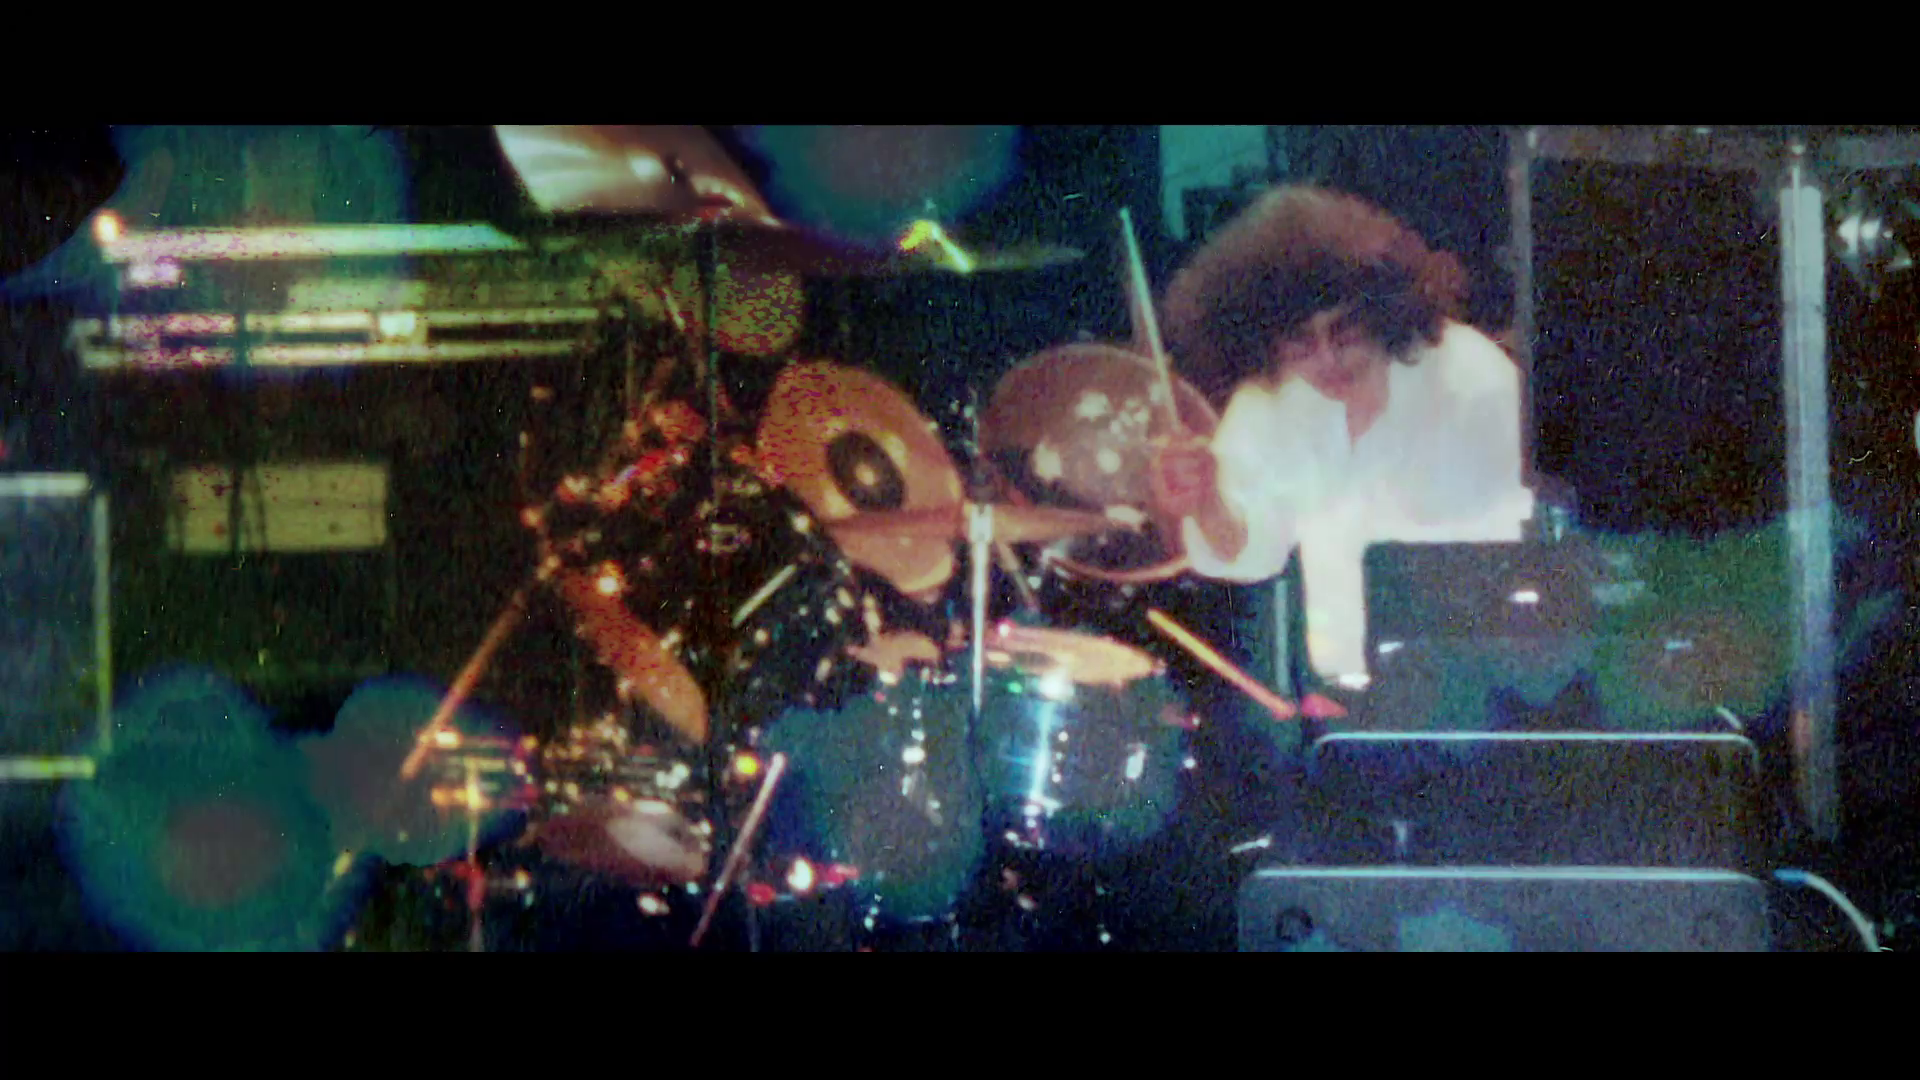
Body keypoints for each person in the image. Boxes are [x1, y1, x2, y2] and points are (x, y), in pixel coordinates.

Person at [1150, 185, 1537, 706]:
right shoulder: (1272, 402)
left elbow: (1524, 578)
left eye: (1345, 330)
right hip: (1337, 702)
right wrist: (1205, 502)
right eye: (1300, 342)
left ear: (1384, 308)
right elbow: (1248, 553)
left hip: (1475, 693)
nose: (1327, 360)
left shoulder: (1474, 382)